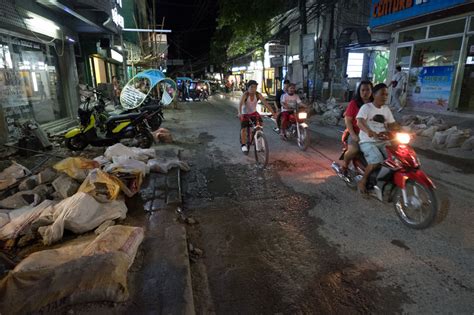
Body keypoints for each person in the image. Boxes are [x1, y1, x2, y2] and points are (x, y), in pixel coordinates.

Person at [356, 83, 399, 193]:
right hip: (368, 141)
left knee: (395, 159)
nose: (385, 97)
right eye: (382, 94)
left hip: (383, 140)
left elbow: (392, 124)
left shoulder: (386, 109)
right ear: (374, 94)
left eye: (386, 94)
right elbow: (359, 122)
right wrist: (369, 131)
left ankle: (387, 180)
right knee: (377, 159)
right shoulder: (366, 107)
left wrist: (404, 130)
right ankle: (363, 180)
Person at [341, 80, 374, 173]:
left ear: (372, 91)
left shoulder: (375, 104)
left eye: (368, 90)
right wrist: (354, 135)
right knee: (354, 150)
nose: (365, 92)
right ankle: (345, 165)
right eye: (362, 90)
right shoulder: (354, 104)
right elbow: (348, 120)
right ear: (359, 91)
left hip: (372, 133)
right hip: (356, 132)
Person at [238, 80, 276, 153]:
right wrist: (239, 113)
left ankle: (258, 138)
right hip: (245, 114)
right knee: (243, 129)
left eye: (255, 87)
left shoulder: (258, 95)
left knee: (259, 126)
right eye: (251, 87)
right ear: (247, 88)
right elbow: (240, 104)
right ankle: (243, 145)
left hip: (254, 113)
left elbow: (266, 104)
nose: (253, 89)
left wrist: (273, 113)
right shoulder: (245, 95)